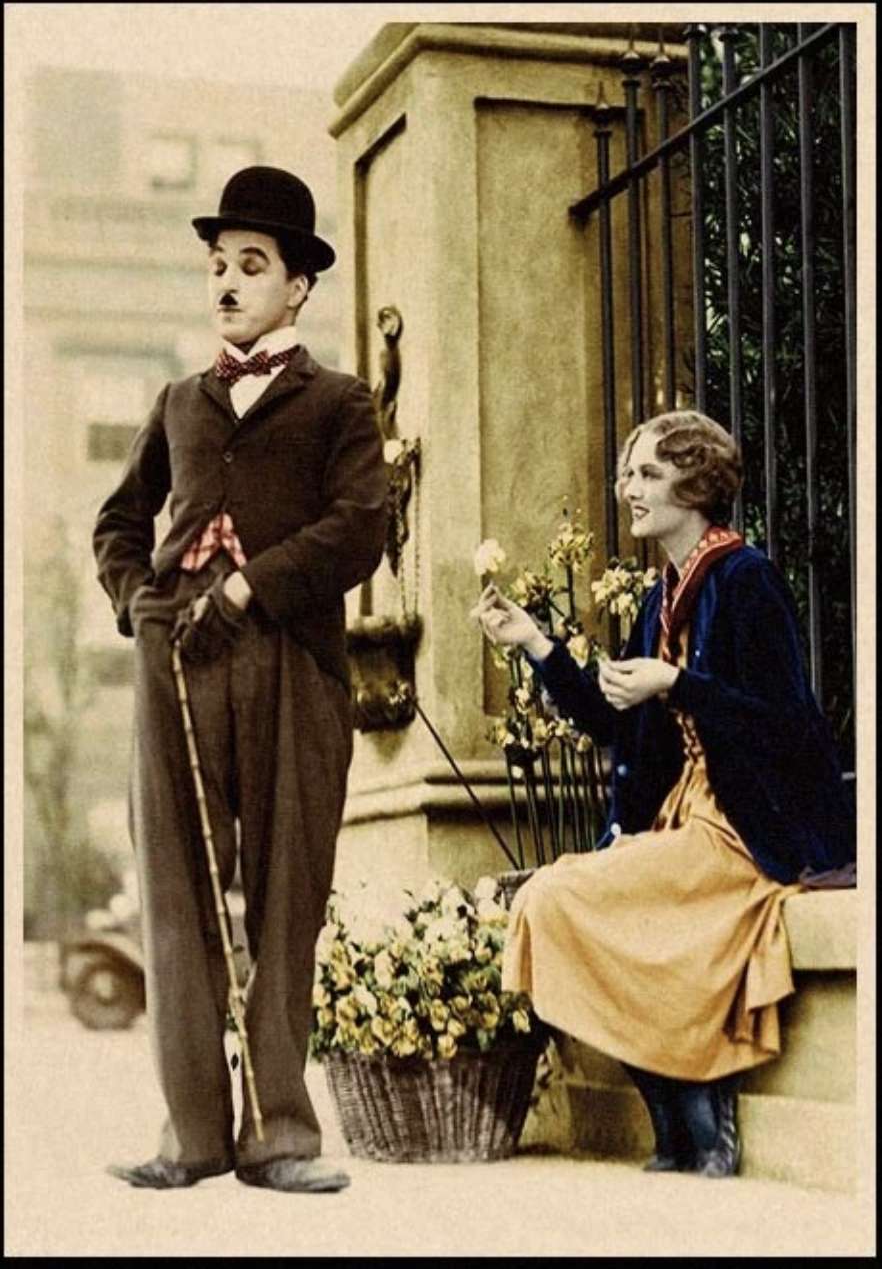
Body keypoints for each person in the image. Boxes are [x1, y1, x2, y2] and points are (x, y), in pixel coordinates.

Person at [93, 166, 388, 1192]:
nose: (227, 281)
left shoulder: (339, 402)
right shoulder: (180, 402)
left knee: (284, 891)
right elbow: (119, 523)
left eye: (252, 265)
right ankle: (193, 1136)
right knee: (176, 894)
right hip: (176, 660)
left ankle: (279, 1137)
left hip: (290, 660)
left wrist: (254, 586)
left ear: (298, 286)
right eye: (218, 263)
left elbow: (360, 526)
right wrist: (139, 603)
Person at [471, 410, 855, 1178]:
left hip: (747, 830)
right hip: (682, 823)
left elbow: (790, 728)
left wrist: (679, 684)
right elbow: (609, 715)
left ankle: (703, 1107)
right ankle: (678, 1116)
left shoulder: (746, 580)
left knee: (559, 896)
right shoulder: (663, 598)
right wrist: (535, 643)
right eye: (628, 474)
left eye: (648, 473)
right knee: (549, 902)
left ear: (698, 483)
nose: (628, 490)